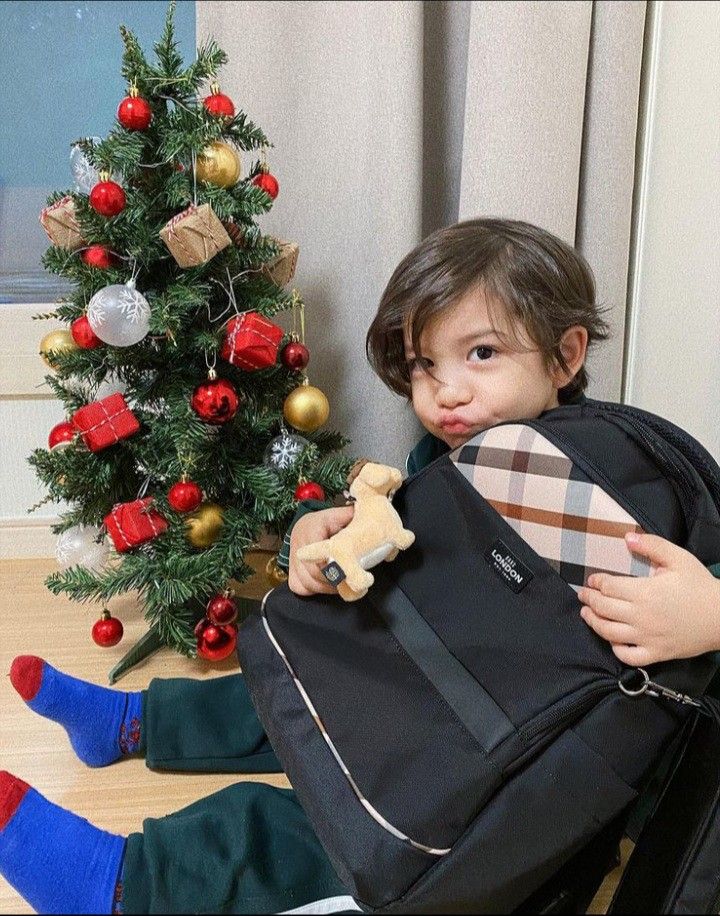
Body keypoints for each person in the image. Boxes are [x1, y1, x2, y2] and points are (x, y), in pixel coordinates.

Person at [1, 218, 718, 915]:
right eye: (423, 365)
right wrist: (324, 538)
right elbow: (392, 544)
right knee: (324, 660)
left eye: (482, 355)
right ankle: (137, 724)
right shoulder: (457, 457)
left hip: (500, 789)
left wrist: (710, 615)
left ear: (565, 356)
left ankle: (126, 884)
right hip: (445, 692)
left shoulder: (620, 491)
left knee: (336, 829)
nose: (447, 392)